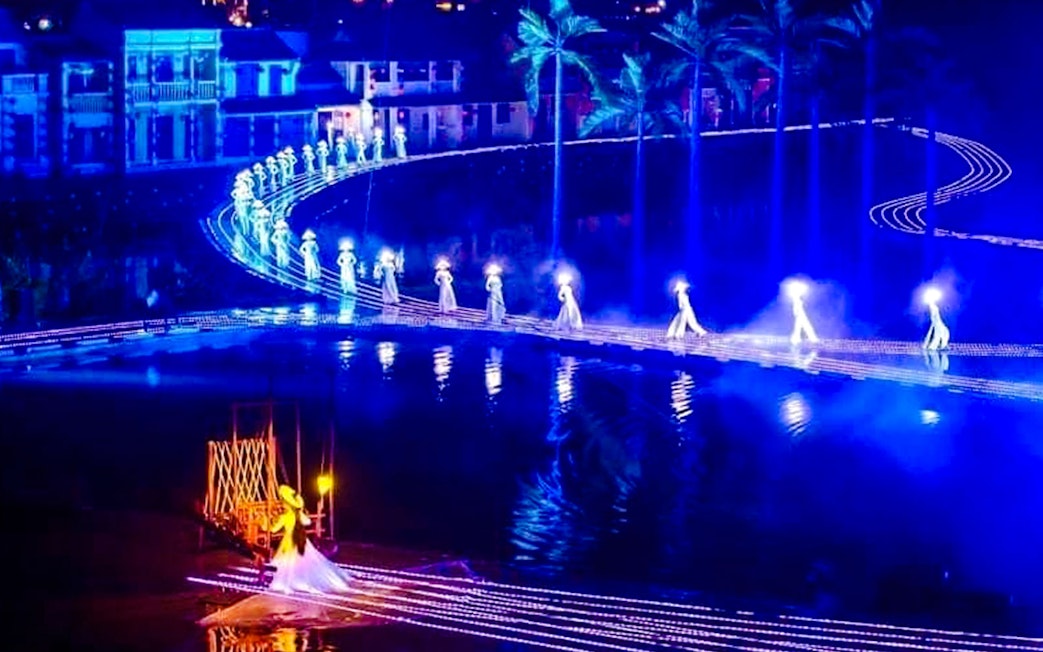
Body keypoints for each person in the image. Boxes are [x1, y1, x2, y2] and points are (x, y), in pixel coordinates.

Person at [269, 485, 351, 594]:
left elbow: (274, 530)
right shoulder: (299, 515)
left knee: (289, 561)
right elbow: (308, 521)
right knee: (303, 560)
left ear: (286, 504)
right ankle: (301, 579)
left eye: (283, 502)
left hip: (290, 540)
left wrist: (268, 522)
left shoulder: (285, 516)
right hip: (302, 540)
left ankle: (292, 580)